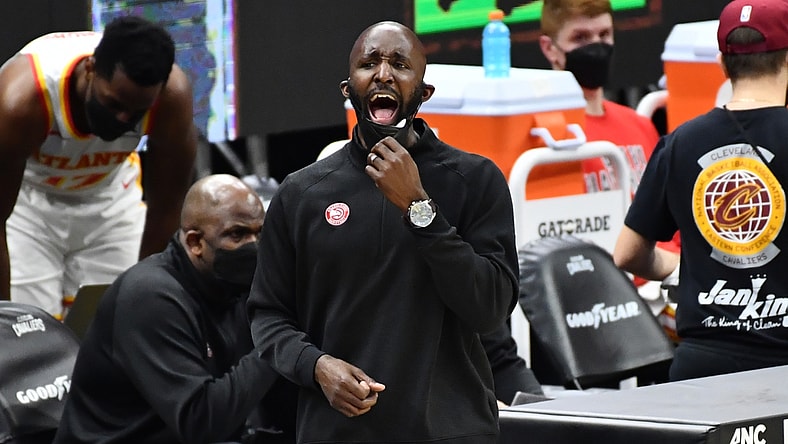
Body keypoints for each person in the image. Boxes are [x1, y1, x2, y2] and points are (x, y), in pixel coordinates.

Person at [248, 21, 519, 444]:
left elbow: (490, 308)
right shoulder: (302, 194)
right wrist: (317, 367)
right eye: (369, 63)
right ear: (347, 88)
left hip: (451, 431)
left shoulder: (475, 180)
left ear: (424, 93)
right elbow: (268, 316)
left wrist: (419, 207)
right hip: (337, 432)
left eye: (400, 63)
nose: (384, 74)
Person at [614, 0, 788, 381]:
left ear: (722, 65)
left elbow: (627, 254)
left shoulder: (680, 142)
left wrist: (683, 268)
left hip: (702, 368)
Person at [53, 174, 296, 443]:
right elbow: (201, 423)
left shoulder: (238, 285)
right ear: (195, 243)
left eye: (260, 233)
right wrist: (275, 341)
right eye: (237, 234)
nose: (254, 246)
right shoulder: (150, 297)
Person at [0, 15, 197, 317]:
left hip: (110, 197)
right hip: (28, 204)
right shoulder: (22, 100)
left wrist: (145, 296)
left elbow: (167, 206)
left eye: (136, 112)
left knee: (118, 322)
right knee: (29, 326)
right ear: (90, 69)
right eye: (115, 104)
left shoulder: (171, 98)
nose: (123, 120)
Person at [538, 0, 659, 195]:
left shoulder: (640, 126)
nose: (596, 46)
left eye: (604, 34)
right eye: (580, 37)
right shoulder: (547, 136)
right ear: (550, 48)